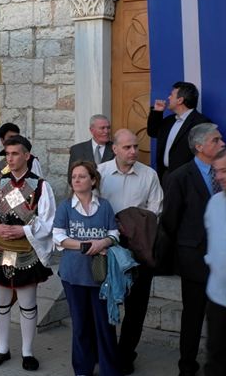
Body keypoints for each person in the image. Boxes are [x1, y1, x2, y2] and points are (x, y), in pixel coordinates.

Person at [0, 135, 55, 372]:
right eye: (7, 154)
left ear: (27, 155)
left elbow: (48, 221)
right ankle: (2, 348)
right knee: (0, 302)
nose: (10, 158)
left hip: (26, 253)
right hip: (0, 251)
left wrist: (24, 230)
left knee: (27, 303)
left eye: (15, 153)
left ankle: (27, 351)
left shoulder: (41, 186)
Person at [97, 128, 163, 374]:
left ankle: (125, 354)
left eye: (135, 146)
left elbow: (156, 211)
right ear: (114, 149)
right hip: (108, 246)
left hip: (140, 246)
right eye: (127, 147)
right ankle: (106, 352)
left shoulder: (149, 175)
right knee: (105, 301)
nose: (133, 151)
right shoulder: (100, 173)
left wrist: (135, 227)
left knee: (136, 306)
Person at [161, 123, 225, 376]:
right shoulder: (180, 177)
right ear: (199, 146)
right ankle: (187, 366)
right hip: (194, 259)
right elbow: (170, 220)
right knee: (193, 316)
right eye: (216, 140)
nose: (222, 143)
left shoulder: (224, 173)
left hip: (221, 261)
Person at [54, 161, 121, 376]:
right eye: (74, 177)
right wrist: (84, 245)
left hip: (101, 276)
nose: (76, 180)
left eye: (82, 176)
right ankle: (83, 369)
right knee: (81, 325)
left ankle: (109, 369)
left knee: (105, 324)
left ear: (93, 180)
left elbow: (114, 233)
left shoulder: (105, 206)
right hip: (73, 275)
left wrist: (102, 243)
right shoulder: (65, 207)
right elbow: (58, 236)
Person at [147, 81, 210, 181]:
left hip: (187, 179)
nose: (169, 98)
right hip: (165, 176)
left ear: (180, 100)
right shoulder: (169, 121)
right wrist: (157, 112)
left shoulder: (201, 122)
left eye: (171, 95)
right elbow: (152, 132)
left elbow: (206, 155)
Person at [204, 148, 226, 376]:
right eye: (217, 171)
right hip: (218, 297)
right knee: (216, 357)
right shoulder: (214, 203)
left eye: (225, 171)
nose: (220, 177)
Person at [68, 115, 114, 179]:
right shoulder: (77, 150)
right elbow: (71, 177)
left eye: (108, 128)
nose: (106, 131)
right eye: (102, 128)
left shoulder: (116, 149)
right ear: (92, 130)